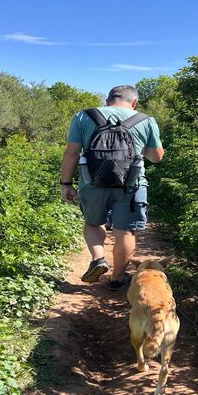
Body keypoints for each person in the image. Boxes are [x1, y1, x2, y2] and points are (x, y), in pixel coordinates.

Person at [60, 85, 164, 290]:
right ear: (134, 103)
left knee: (92, 223)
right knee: (125, 232)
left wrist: (66, 184)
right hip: (132, 185)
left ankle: (98, 258)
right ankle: (117, 279)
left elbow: (71, 153)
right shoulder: (146, 120)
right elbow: (156, 157)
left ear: (107, 101)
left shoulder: (83, 116)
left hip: (92, 183)